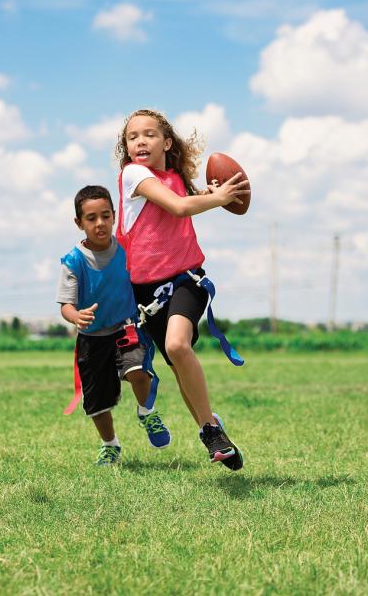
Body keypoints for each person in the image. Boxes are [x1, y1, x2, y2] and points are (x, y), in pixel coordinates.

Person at [114, 108, 250, 470]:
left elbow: (183, 203)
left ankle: (209, 430)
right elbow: (177, 207)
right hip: (145, 296)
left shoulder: (173, 178)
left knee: (176, 345)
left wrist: (211, 193)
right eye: (132, 137)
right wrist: (217, 199)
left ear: (167, 142)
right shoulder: (133, 174)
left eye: (149, 134)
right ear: (126, 148)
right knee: (178, 366)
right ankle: (217, 436)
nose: (140, 141)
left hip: (185, 281)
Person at [56, 185, 171, 466]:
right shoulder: (73, 262)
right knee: (97, 401)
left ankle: (147, 410)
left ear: (114, 216)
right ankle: (111, 445)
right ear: (79, 223)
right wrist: (76, 316)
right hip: (92, 339)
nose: (100, 224)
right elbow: (65, 305)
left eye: (106, 216)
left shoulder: (126, 249)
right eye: (91, 218)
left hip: (126, 328)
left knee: (139, 371)